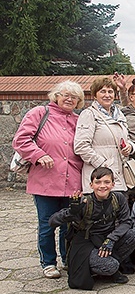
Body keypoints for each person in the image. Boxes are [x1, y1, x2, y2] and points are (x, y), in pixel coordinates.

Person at [12, 80, 85, 279]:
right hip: (45, 181)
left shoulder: (78, 120)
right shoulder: (39, 113)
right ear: (56, 96)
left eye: (74, 97)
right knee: (47, 224)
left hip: (72, 182)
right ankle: (48, 262)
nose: (69, 99)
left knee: (68, 224)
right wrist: (38, 154)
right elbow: (20, 140)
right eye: (65, 95)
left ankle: (67, 258)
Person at [49, 168, 135, 289]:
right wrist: (71, 211)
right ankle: (101, 268)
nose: (102, 186)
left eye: (107, 182)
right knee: (110, 266)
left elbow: (126, 222)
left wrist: (111, 240)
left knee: (134, 235)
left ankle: (109, 265)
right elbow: (52, 221)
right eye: (98, 182)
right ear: (91, 185)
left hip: (106, 239)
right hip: (86, 243)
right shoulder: (84, 201)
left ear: (113, 184)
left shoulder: (118, 198)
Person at [74, 77, 134, 194]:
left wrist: (130, 147)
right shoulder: (89, 114)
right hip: (99, 180)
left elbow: (127, 138)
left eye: (110, 91)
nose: (107, 95)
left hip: (119, 179)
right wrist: (102, 164)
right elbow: (81, 146)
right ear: (95, 95)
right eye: (103, 91)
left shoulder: (119, 114)